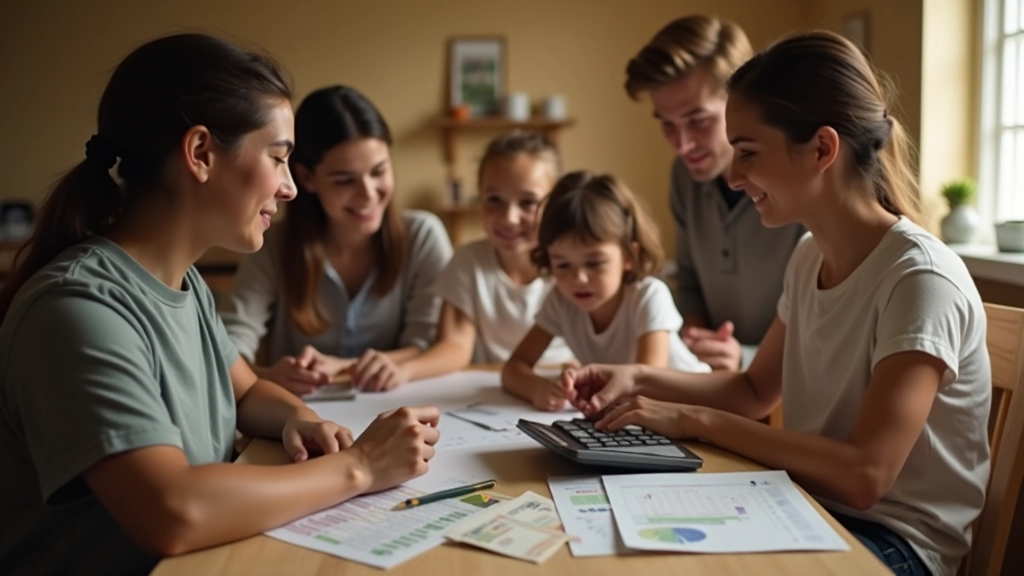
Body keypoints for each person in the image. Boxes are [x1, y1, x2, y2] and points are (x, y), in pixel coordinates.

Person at [0, 34, 440, 575]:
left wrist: (299, 419)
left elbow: (249, 389)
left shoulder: (185, 283)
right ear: (201, 153)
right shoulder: (78, 310)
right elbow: (173, 511)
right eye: (278, 159)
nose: (289, 189)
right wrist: (361, 467)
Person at [571, 31, 991, 576]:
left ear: (822, 148)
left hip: (894, 544)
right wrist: (636, 378)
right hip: (803, 508)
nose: (733, 174)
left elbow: (866, 477)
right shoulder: (808, 256)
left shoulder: (919, 279)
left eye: (747, 152)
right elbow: (750, 390)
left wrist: (695, 419)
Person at [221, 85, 453, 394]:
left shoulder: (423, 235)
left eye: (379, 171)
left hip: (397, 408)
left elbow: (428, 345)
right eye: (345, 180)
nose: (369, 193)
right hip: (298, 418)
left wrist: (348, 366)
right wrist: (264, 376)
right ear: (306, 178)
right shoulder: (271, 245)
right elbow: (229, 346)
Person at [625, 15, 805, 370]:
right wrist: (695, 333)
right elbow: (689, 278)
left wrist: (747, 358)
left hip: (790, 387)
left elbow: (827, 323)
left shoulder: (798, 181)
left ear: (743, 101)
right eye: (667, 124)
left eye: (699, 120)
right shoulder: (684, 175)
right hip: (720, 382)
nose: (682, 144)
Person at [503, 171, 710, 411]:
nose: (578, 278)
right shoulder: (560, 302)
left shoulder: (649, 296)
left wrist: (596, 390)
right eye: (562, 264)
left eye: (594, 263)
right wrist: (538, 388)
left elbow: (647, 385)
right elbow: (513, 368)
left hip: (698, 408)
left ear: (628, 256)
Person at [404, 131, 574, 379]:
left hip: (560, 385)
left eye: (528, 202)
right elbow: (455, 346)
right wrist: (403, 371)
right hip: (493, 390)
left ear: (553, 203)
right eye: (494, 199)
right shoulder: (467, 261)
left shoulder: (573, 264)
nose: (509, 218)